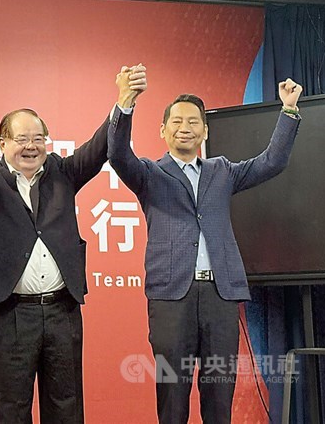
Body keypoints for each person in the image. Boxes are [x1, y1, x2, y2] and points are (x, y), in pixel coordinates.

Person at [0, 66, 147, 423]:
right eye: (21, 138)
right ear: (2, 142)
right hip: (8, 313)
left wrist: (124, 101)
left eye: (38, 138)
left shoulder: (63, 173)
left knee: (66, 408)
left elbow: (102, 145)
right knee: (12, 408)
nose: (31, 146)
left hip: (61, 312)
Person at [107, 65, 302, 423]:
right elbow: (118, 154)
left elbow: (272, 162)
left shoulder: (222, 171)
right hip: (171, 300)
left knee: (219, 394)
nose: (186, 127)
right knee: (172, 394)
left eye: (194, 121)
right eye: (177, 121)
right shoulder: (149, 174)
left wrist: (288, 111)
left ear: (205, 130)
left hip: (220, 297)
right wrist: (125, 102)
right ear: (163, 130)